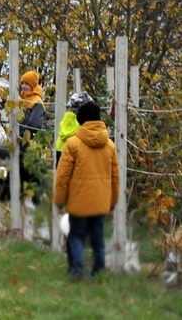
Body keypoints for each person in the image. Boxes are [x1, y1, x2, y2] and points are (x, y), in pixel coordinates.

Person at [54, 100, 119, 281]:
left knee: (76, 235)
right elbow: (115, 178)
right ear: (99, 119)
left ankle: (77, 268)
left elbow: (62, 176)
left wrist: (60, 200)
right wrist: (112, 202)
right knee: (97, 237)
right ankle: (99, 269)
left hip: (78, 200)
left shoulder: (73, 144)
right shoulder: (110, 145)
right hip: (101, 200)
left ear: (80, 120)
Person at [19, 70, 47, 208]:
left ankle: (36, 199)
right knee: (24, 169)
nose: (23, 86)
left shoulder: (36, 102)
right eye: (22, 83)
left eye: (27, 84)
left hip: (31, 141)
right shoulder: (23, 99)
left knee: (32, 169)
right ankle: (27, 198)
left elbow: (34, 124)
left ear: (33, 85)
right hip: (23, 141)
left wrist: (23, 132)